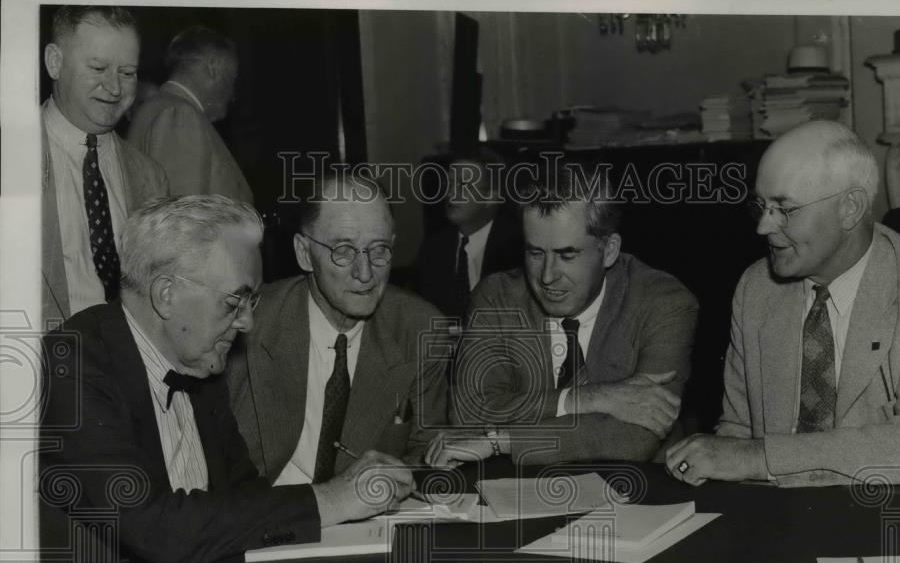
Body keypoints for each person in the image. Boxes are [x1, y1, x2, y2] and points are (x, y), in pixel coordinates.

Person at [40, 195, 413, 563]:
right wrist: (332, 498)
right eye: (234, 302)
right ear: (166, 295)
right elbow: (151, 528)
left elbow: (243, 498)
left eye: (252, 302)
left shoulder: (199, 359)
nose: (246, 323)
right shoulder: (73, 364)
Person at [665, 120, 900, 488]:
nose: (763, 227)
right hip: (783, 519)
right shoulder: (757, 288)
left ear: (850, 208)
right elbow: (739, 432)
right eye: (761, 205)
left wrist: (758, 457)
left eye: (785, 209)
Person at [427, 163, 698, 467]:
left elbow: (637, 434)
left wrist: (501, 440)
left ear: (609, 250)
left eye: (567, 255)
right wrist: (587, 398)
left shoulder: (663, 302)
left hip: (641, 491)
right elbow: (467, 414)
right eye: (535, 252)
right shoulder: (497, 298)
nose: (547, 276)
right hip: (520, 495)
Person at [225, 172, 449, 483]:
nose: (365, 273)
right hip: (265, 515)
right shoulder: (246, 326)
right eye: (343, 250)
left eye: (379, 249)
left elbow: (427, 454)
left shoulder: (419, 329)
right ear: (305, 253)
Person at [41, 5, 168, 325]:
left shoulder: (150, 177)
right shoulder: (12, 159)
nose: (114, 88)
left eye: (127, 73)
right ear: (55, 62)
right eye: (98, 68)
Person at [127, 25, 253, 204]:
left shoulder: (163, 108)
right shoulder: (180, 115)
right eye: (232, 78)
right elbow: (182, 222)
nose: (232, 94)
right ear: (213, 66)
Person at [416, 148, 523, 320]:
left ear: (491, 197)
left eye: (463, 185)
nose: (450, 193)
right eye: (449, 184)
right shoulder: (433, 248)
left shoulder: (516, 250)